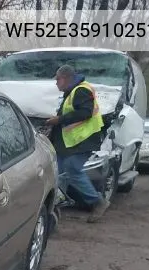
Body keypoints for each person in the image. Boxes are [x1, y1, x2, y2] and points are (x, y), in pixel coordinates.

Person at [45, 64, 110, 223]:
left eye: (57, 79)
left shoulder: (81, 90)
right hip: (70, 142)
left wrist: (59, 120)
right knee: (56, 173)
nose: (56, 83)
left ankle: (97, 201)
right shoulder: (72, 92)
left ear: (66, 78)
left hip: (83, 140)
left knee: (72, 168)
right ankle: (53, 207)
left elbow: (85, 113)